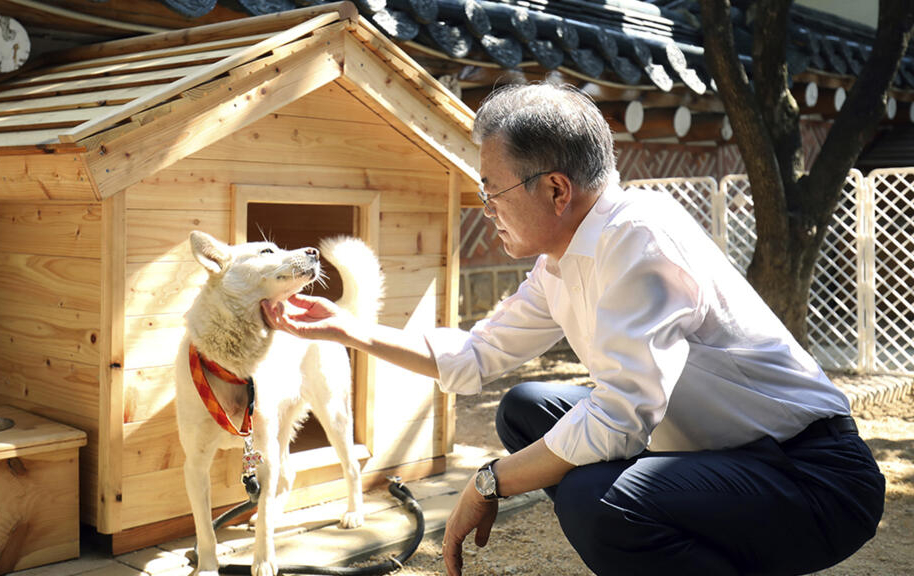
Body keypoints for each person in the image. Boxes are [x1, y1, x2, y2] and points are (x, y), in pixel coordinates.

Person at [261, 82, 885, 576]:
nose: (487, 210)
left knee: (599, 500)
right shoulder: (561, 259)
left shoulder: (638, 239)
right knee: (530, 408)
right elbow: (477, 354)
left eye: (492, 190)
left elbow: (618, 418)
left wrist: (488, 482)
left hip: (811, 477)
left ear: (556, 188)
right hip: (713, 451)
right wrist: (346, 330)